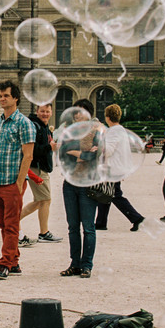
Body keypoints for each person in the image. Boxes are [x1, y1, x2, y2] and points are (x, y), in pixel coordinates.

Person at [0, 80, 35, 280]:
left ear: (16, 98)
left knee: (11, 226)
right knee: (4, 225)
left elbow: (28, 156)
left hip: (12, 183)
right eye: (0, 96)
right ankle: (14, 263)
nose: (2, 99)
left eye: (6, 96)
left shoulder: (24, 123)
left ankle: (4, 264)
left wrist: (19, 183)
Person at [58, 100, 102, 277]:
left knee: (88, 227)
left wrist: (76, 154)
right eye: (75, 112)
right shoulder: (70, 131)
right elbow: (63, 154)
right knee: (72, 226)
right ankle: (75, 263)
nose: (77, 115)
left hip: (88, 183)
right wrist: (83, 155)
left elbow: (96, 155)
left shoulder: (96, 129)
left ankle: (87, 265)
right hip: (70, 183)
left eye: (81, 112)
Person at [94, 104, 144, 232]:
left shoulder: (113, 131)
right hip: (116, 167)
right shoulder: (120, 130)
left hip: (112, 168)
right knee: (105, 194)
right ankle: (100, 222)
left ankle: (137, 218)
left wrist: (98, 147)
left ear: (107, 117)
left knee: (114, 195)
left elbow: (108, 150)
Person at [20, 102, 62, 244]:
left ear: (51, 112)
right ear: (37, 111)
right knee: (45, 200)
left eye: (47, 111)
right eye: (42, 111)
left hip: (40, 167)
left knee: (41, 201)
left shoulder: (42, 127)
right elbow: (32, 149)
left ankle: (12, 220)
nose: (45, 114)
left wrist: (51, 147)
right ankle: (44, 233)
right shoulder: (34, 126)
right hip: (36, 167)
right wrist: (48, 147)